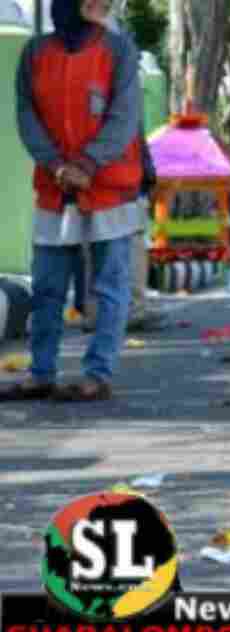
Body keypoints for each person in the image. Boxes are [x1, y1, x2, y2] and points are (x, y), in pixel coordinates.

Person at [3, 0, 143, 404]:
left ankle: (98, 374)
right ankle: (41, 373)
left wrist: (87, 163)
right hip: (54, 187)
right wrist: (56, 165)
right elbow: (27, 116)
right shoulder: (35, 52)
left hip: (109, 188)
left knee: (109, 287)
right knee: (47, 285)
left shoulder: (119, 49)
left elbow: (124, 116)